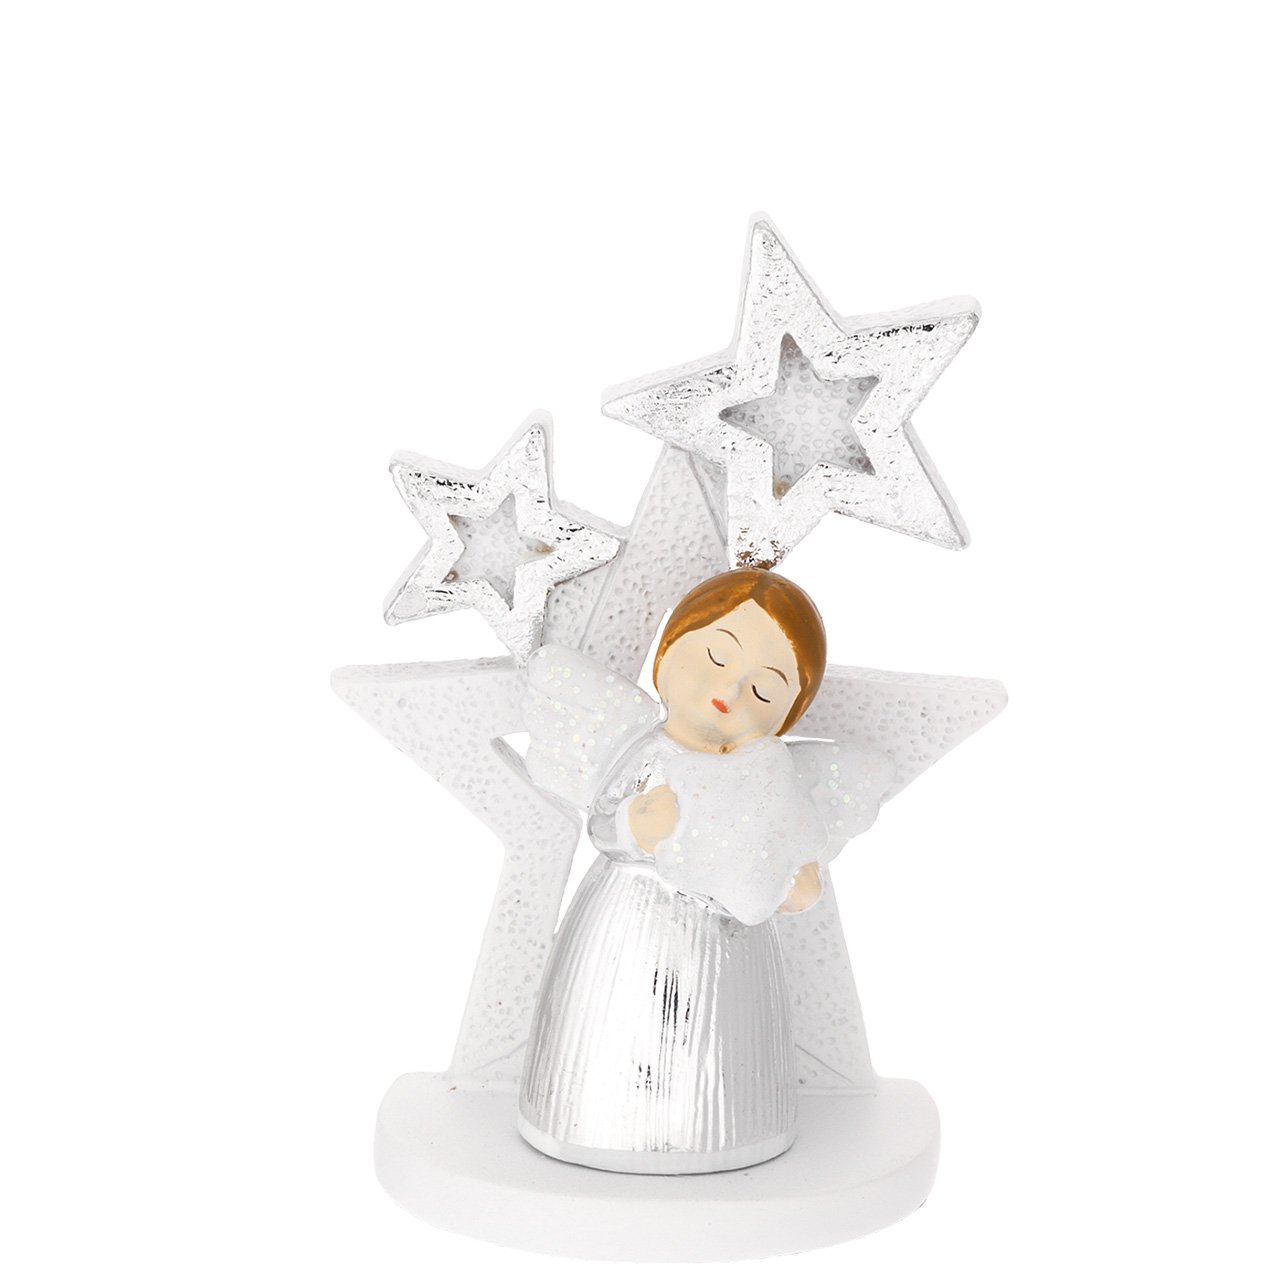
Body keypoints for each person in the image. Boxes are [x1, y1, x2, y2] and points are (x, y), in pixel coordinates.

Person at [518, 569, 831, 1174]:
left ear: (786, 716)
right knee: (613, 1013)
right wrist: (635, 824)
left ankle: (731, 1121)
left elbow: (785, 850)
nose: (731, 689)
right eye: (717, 656)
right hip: (628, 918)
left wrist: (791, 879)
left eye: (764, 690)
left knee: (719, 1029)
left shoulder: (763, 779)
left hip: (727, 939)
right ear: (670, 649)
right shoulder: (647, 751)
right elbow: (602, 825)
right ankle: (590, 1114)